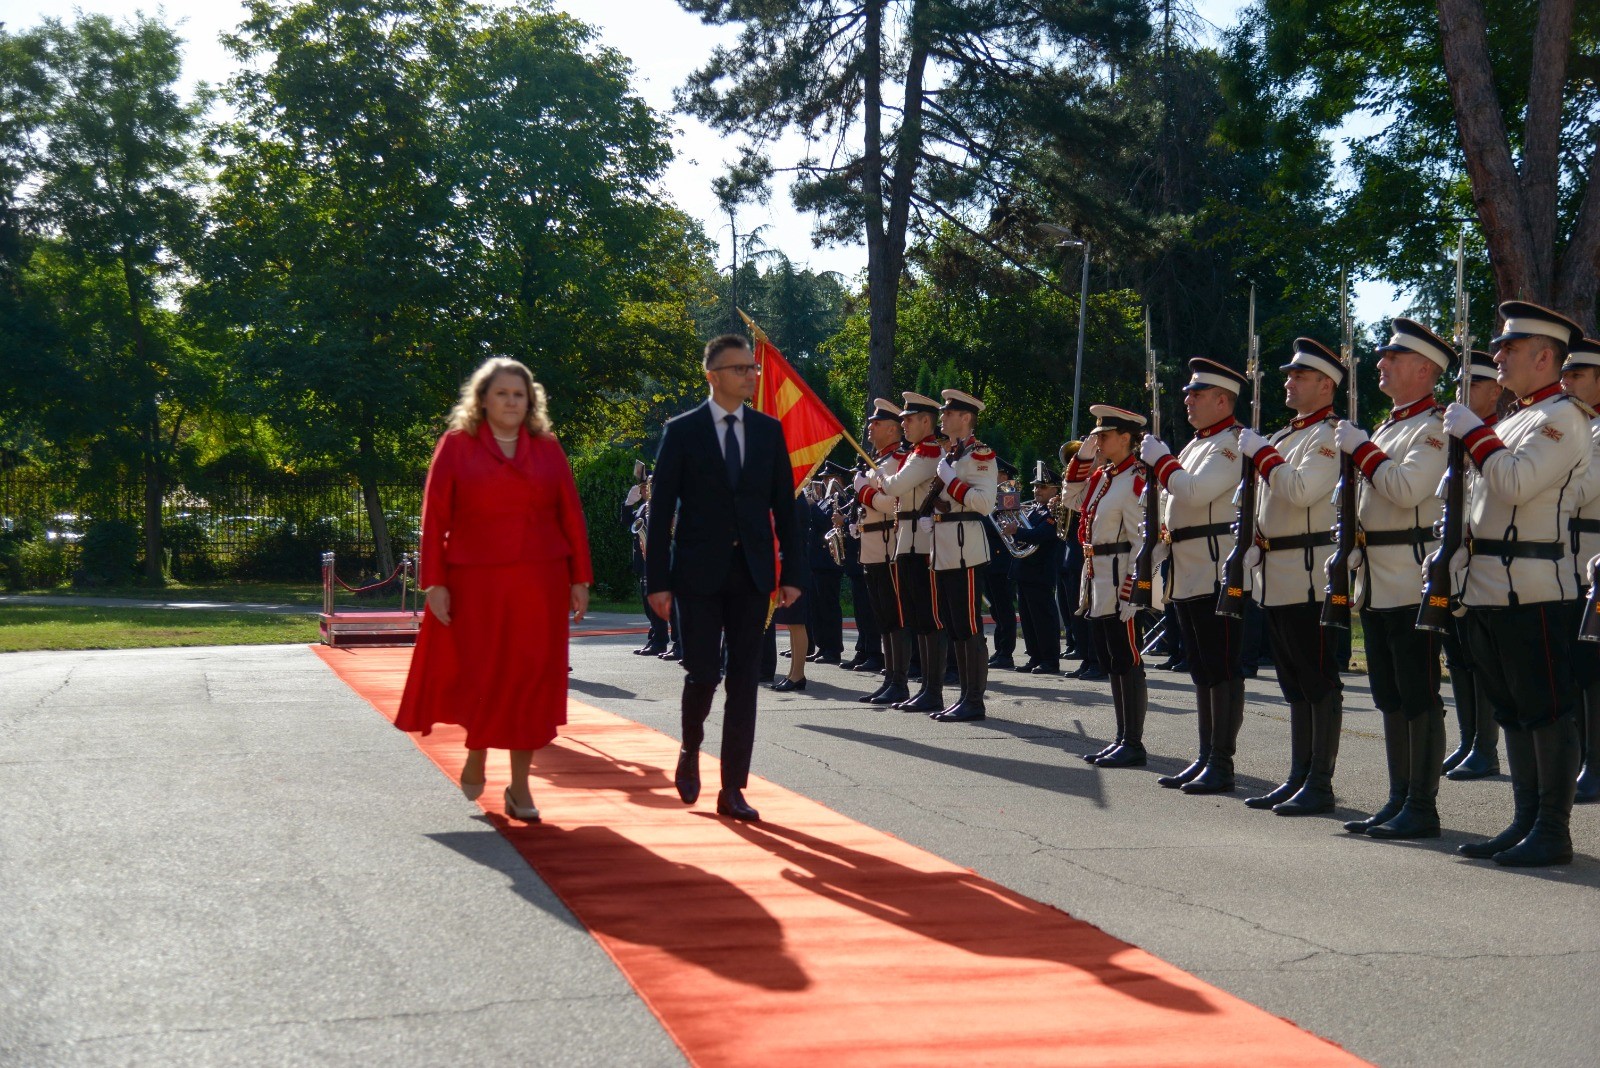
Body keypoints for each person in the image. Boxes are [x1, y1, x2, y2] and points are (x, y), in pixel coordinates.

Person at [397, 357, 592, 823]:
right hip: (474, 582)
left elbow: (570, 512)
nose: (511, 401)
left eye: (519, 394)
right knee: (484, 675)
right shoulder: (456, 445)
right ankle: (478, 751)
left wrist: (579, 578)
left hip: (540, 582)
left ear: (531, 402)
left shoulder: (547, 449)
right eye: (502, 393)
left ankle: (520, 785)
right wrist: (435, 583)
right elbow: (435, 517)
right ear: (482, 398)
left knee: (529, 681)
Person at [1445, 302, 1587, 866]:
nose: (1496, 355)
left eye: (1509, 347)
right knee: (1510, 708)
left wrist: (1476, 435)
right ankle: (1526, 819)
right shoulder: (1513, 419)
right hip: (1485, 584)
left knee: (1545, 709)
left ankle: (1553, 830)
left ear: (1545, 356)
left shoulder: (1564, 418)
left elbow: (1516, 482)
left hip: (1534, 587)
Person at [645, 334, 808, 823]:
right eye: (740, 369)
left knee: (745, 680)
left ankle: (733, 788)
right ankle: (690, 749)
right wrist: (658, 582)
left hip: (753, 575)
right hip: (697, 574)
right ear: (713, 376)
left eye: (752, 369)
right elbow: (660, 513)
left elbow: (786, 508)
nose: (750, 376)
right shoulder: (682, 431)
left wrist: (793, 574)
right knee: (702, 673)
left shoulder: (767, 431)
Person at [1334, 318, 1451, 838]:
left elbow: (1406, 490)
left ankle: (1422, 807)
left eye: (1393, 358)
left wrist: (1362, 451)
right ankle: (1398, 796)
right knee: (1388, 692)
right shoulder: (1389, 427)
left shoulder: (1435, 427)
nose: (1380, 364)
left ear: (1424, 370)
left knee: (1417, 691)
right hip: (1377, 578)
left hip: (1410, 576)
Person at [1237, 338, 1345, 816]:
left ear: (1326, 385)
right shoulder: (1284, 438)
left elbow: (1301, 491)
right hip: (1275, 572)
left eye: (1299, 376)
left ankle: (1319, 782)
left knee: (1317, 678)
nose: (1288, 382)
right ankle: (1299, 774)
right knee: (1292, 681)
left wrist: (1263, 456)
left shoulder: (1329, 436)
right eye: (1289, 375)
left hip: (1308, 572)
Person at [1140, 357, 1248, 793]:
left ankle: (1221, 762)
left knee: (1220, 666)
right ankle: (1205, 755)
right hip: (1186, 567)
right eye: (1188, 392)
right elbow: (1175, 504)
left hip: (1213, 568)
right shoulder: (1195, 445)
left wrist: (1163, 461)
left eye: (1197, 394)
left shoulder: (1232, 443)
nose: (1188, 399)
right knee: (1201, 668)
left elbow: (1195, 490)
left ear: (1223, 400)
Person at [1061, 405, 1153, 766]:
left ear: (1126, 438)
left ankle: (1134, 742)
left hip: (1119, 577)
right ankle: (1121, 737)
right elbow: (1071, 498)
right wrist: (1083, 456)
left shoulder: (1135, 480)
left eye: (1104, 435)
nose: (1097, 440)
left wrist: (1135, 583)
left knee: (1127, 657)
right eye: (1096, 434)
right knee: (1112, 658)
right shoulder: (1104, 475)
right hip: (1097, 573)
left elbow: (1142, 538)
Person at [1441, 353, 1507, 781]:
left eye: (1474, 384)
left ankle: (1486, 747)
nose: (1461, 392)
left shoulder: (1498, 435)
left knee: (1483, 658)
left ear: (1496, 390)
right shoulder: (1456, 436)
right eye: (1459, 383)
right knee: (1459, 657)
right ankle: (1468, 740)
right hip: (1454, 560)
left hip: (1485, 562)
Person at [920, 389, 1000, 722]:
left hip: (966, 547)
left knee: (968, 625)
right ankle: (964, 696)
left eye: (948, 413)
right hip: (945, 547)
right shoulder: (953, 455)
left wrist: (950, 481)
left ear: (966, 418)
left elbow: (983, 504)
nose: (942, 418)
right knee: (954, 625)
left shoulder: (979, 455)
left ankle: (974, 700)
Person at [872, 393, 950, 712]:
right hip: (908, 539)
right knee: (916, 617)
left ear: (926, 422)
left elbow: (893, 487)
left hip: (922, 544)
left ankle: (933, 689)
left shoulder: (929, 452)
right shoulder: (918, 453)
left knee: (928, 617)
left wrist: (875, 475)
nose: (903, 423)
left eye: (909, 418)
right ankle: (921, 687)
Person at [854, 400, 913, 704]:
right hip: (872, 547)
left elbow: (894, 504)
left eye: (876, 423)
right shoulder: (878, 461)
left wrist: (863, 491)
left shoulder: (900, 461)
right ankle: (890, 678)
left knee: (895, 616)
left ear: (892, 429)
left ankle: (899, 682)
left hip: (889, 546)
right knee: (883, 617)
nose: (869, 427)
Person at [1563, 336, 1600, 803]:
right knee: (1577, 669)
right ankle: (1582, 758)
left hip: (1592, 565)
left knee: (1593, 671)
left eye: (1577, 375)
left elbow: (1581, 490)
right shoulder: (1579, 427)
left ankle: (1595, 763)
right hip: (1568, 565)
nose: (1565, 380)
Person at [1009, 462, 1066, 675]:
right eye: (1035, 487)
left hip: (1041, 572)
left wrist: (1016, 531)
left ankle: (1050, 660)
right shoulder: (1034, 510)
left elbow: (1040, 535)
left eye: (1042, 487)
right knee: (1028, 618)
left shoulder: (1052, 513)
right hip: (1025, 571)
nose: (1036, 491)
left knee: (1043, 618)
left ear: (1055, 490)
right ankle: (1035, 656)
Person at [771, 492, 814, 692]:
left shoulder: (796, 502)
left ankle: (798, 675)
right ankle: (793, 673)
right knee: (791, 623)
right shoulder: (793, 500)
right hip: (790, 568)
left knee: (797, 623)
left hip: (795, 569)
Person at [622, 469, 668, 656]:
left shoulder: (657, 505)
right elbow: (628, 522)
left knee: (658, 604)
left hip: (656, 561)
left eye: (644, 487)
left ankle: (663, 640)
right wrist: (627, 504)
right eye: (641, 488)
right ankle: (655, 636)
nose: (642, 491)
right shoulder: (642, 507)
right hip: (644, 560)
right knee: (648, 603)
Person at [984, 457, 1021, 670]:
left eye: (995, 472)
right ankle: (1000, 650)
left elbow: (1003, 526)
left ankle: (1006, 653)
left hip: (1002, 560)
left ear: (1004, 476)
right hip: (990, 560)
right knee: (996, 609)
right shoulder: (990, 496)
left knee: (1004, 608)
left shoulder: (1008, 496)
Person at [806, 476, 847, 665]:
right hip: (816, 561)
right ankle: (822, 645)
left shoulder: (837, 501)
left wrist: (812, 506)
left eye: (829, 478)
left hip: (828, 562)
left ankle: (833, 648)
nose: (826, 481)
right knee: (817, 607)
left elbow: (827, 524)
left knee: (828, 607)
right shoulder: (824, 501)